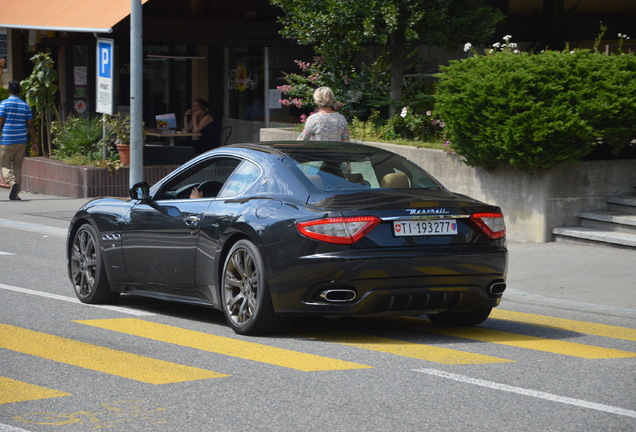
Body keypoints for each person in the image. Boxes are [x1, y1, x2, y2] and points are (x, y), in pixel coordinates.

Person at [0, 80, 39, 201]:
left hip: (7, 140)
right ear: (19, 91)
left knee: (4, 165)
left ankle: (12, 183)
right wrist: (35, 142)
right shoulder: (25, 105)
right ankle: (16, 193)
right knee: (17, 166)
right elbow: (30, 125)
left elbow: (0, 122)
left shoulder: (3, 104)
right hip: (21, 141)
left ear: (9, 90)